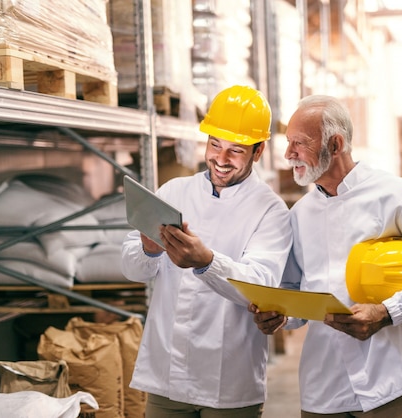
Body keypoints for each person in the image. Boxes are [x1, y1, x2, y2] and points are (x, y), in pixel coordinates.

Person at [251, 95, 402, 417]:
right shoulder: (300, 214)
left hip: (389, 375)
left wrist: (388, 311)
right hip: (324, 383)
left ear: (335, 144)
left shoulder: (396, 195)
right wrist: (281, 314)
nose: (289, 155)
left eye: (299, 143)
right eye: (289, 143)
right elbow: (297, 291)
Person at [121, 85, 292, 418]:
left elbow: (260, 284)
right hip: (167, 374)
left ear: (258, 152)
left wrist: (206, 262)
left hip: (228, 381)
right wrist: (148, 249)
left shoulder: (271, 210)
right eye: (215, 144)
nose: (221, 159)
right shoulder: (174, 191)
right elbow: (133, 270)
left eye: (236, 150)